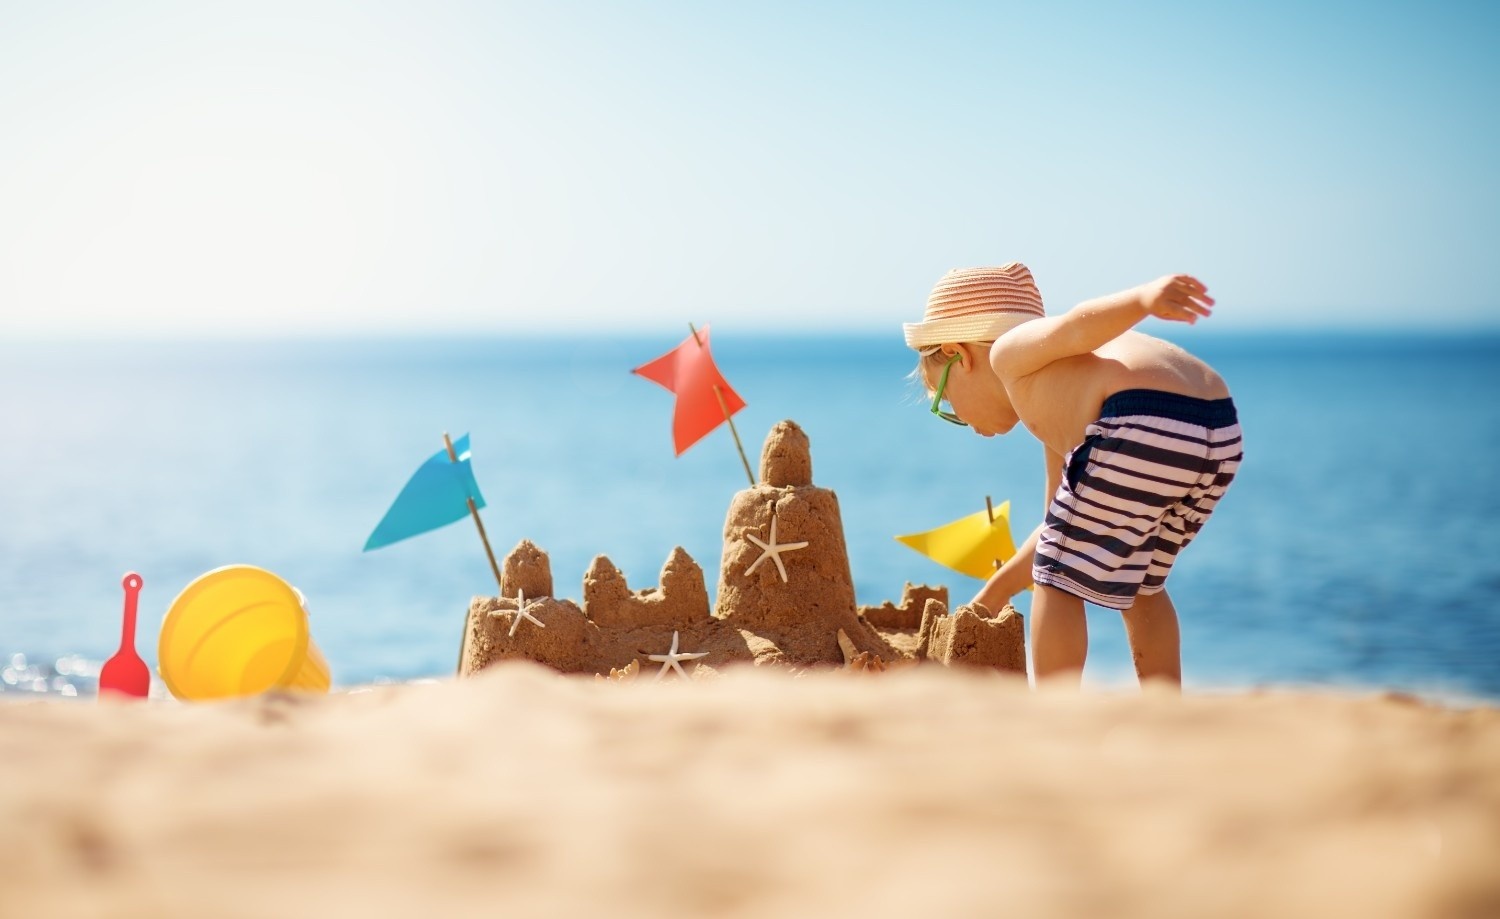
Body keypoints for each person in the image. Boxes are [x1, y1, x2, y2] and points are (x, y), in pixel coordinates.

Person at [903, 263, 1242, 689]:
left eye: (946, 399)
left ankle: (1056, 704)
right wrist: (996, 591)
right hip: (1218, 432)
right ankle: (1164, 701)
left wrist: (1144, 299)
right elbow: (1054, 525)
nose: (963, 420)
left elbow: (1076, 328)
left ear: (959, 354)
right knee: (1143, 582)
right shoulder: (1058, 404)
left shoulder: (1008, 352)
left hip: (1140, 414)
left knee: (1056, 580)